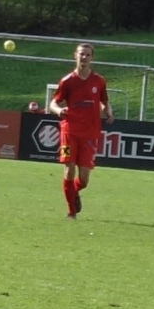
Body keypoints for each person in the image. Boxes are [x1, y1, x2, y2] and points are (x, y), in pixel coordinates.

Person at [48, 43, 113, 218]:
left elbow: (104, 101)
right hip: (69, 132)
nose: (84, 57)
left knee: (84, 179)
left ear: (92, 58)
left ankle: (74, 191)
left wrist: (108, 110)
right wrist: (59, 110)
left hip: (90, 133)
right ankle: (71, 212)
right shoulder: (67, 81)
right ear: (75, 56)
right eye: (81, 54)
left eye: (87, 55)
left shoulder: (99, 81)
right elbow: (53, 103)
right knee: (69, 169)